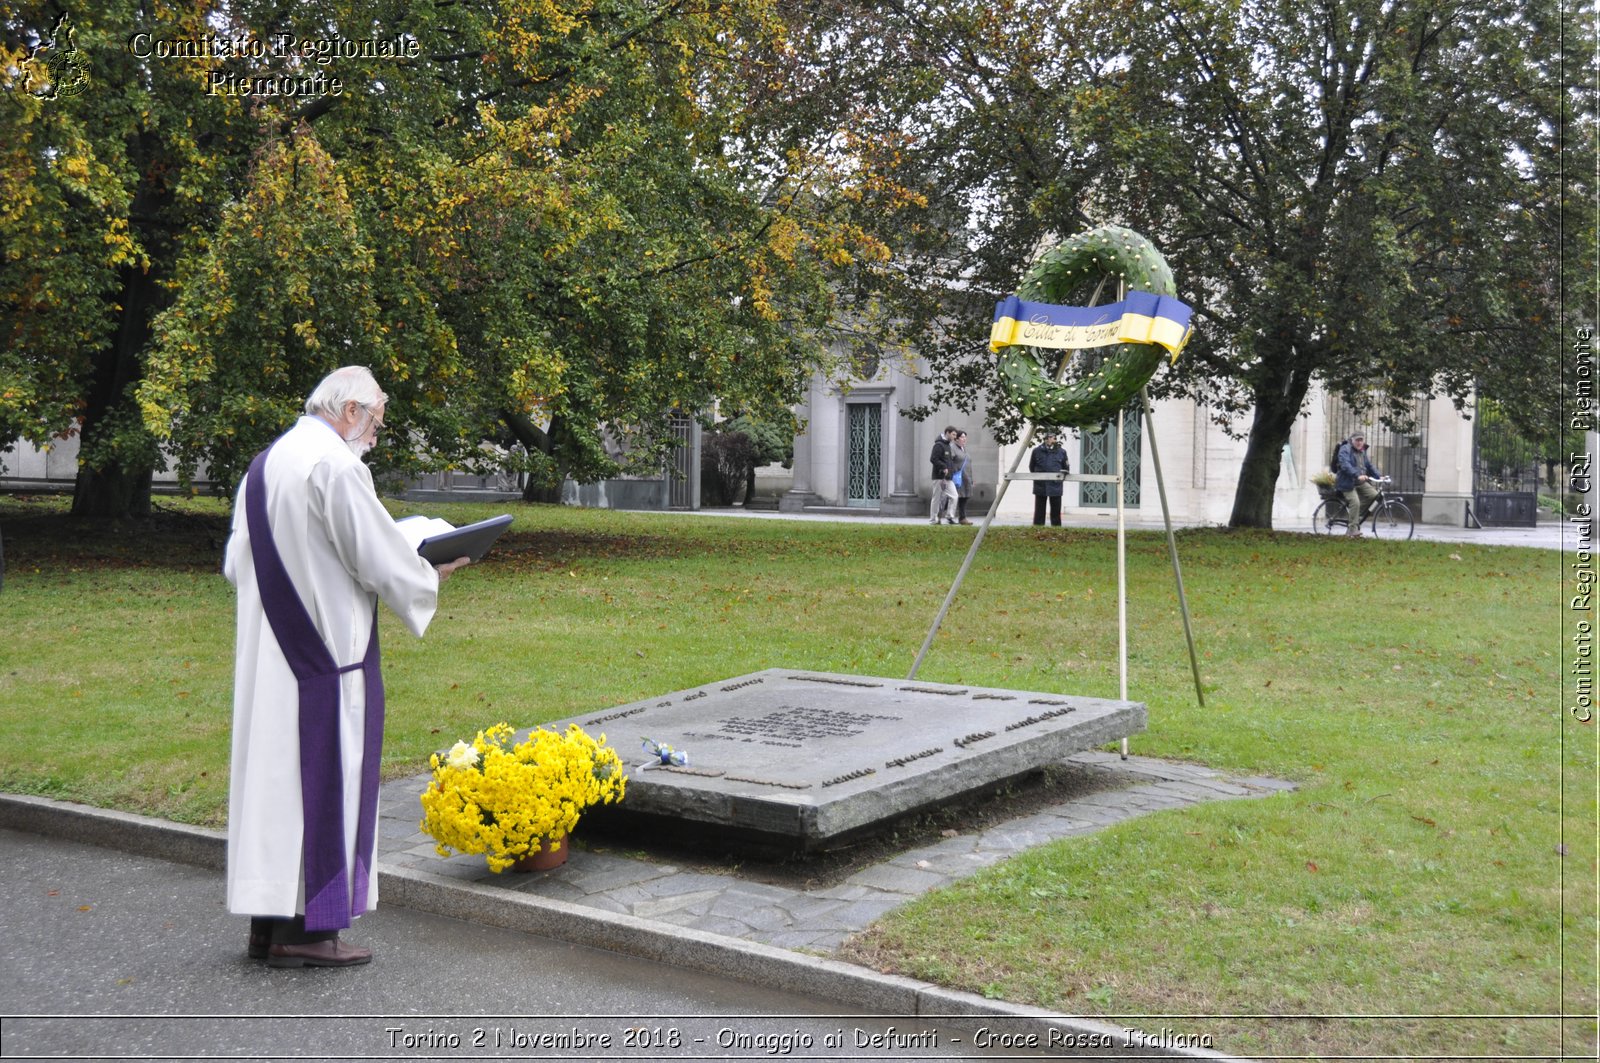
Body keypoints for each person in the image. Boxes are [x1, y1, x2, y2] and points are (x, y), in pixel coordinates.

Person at [223, 366, 470, 968]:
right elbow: (378, 554)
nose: (375, 438)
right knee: (318, 783)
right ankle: (309, 933)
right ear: (352, 411)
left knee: (279, 790)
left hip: (275, 656)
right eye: (377, 424)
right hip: (325, 661)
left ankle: (270, 925)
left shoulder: (267, 463)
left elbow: (237, 562)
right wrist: (426, 571)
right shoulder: (334, 464)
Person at [1334, 432, 1382, 538]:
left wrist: (1379, 476)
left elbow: (1369, 465)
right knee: (1355, 502)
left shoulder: (1362, 451)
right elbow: (1345, 464)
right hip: (1347, 482)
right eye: (1357, 440)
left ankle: (1354, 516)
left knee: (1375, 495)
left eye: (1361, 440)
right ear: (1352, 440)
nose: (1360, 442)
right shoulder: (1345, 449)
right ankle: (1352, 530)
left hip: (1359, 482)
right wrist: (1357, 475)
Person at [1029, 430, 1070, 526]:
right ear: (1046, 439)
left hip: (1055, 485)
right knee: (1039, 510)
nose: (1053, 439)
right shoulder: (1036, 451)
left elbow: (1066, 467)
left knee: (1056, 510)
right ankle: (1038, 528)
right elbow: (1032, 467)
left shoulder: (1061, 452)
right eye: (1051, 437)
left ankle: (1056, 528)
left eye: (1054, 437)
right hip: (1040, 485)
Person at [928, 425, 959, 525]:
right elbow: (933, 459)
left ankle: (949, 516)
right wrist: (943, 467)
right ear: (947, 433)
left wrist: (950, 471)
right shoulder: (939, 445)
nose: (955, 437)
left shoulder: (948, 445)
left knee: (954, 496)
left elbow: (949, 461)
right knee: (936, 498)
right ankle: (933, 519)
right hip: (939, 477)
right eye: (953, 434)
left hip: (948, 478)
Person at [951, 430, 975, 525]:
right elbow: (950, 461)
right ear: (956, 439)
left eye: (965, 437)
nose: (964, 439)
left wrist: (972, 479)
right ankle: (956, 516)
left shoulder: (964, 448)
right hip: (958, 478)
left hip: (966, 478)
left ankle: (962, 517)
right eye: (962, 437)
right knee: (956, 497)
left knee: (964, 498)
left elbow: (968, 463)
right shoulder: (953, 448)